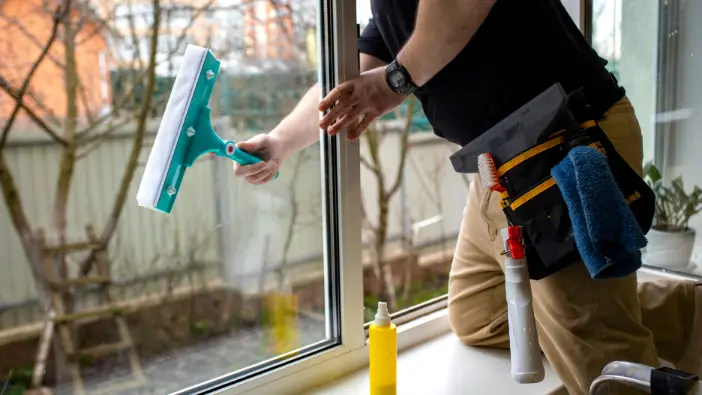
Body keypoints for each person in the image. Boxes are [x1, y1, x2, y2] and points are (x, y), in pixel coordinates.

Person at [232, 0, 702, 393]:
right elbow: (366, 64)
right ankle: (684, 314)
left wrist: (396, 80)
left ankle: (609, 321)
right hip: (500, 165)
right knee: (481, 313)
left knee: (605, 360)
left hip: (566, 147)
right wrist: (278, 143)